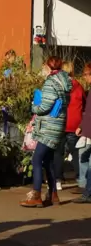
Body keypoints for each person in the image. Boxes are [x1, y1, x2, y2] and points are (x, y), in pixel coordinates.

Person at [20, 56, 71, 208]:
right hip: (58, 124)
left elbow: (44, 106)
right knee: (47, 160)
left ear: (48, 68)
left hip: (48, 126)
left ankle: (36, 194)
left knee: (36, 159)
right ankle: (53, 194)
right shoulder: (65, 82)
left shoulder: (51, 82)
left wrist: (34, 107)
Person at [55, 62, 85, 191]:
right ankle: (80, 179)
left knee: (58, 153)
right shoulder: (79, 87)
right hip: (75, 124)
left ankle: (57, 180)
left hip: (61, 122)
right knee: (76, 152)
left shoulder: (59, 86)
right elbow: (84, 103)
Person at [74, 62, 91, 203]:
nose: (84, 77)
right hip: (87, 130)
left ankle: (87, 191)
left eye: (86, 74)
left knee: (86, 159)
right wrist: (81, 126)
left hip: (89, 132)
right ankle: (86, 188)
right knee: (83, 156)